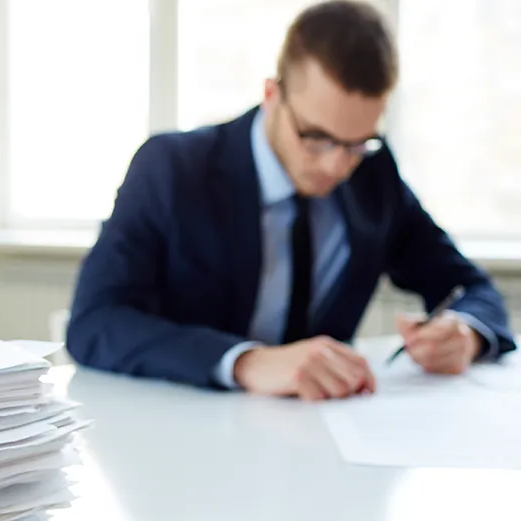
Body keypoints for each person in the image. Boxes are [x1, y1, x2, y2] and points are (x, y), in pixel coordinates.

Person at [65, 0, 516, 400]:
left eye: (358, 142)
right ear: (272, 95)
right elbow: (94, 322)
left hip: (324, 437)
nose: (337, 165)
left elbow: (473, 290)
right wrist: (247, 362)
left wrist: (465, 333)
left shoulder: (373, 174)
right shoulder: (173, 168)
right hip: (184, 431)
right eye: (316, 137)